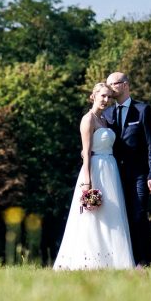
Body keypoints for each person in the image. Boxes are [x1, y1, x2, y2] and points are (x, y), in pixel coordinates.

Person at [53, 83, 135, 269]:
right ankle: (89, 260)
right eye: (103, 96)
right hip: (95, 168)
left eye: (109, 97)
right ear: (94, 96)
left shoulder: (105, 120)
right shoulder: (88, 119)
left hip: (110, 169)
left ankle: (114, 260)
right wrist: (87, 182)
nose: (106, 100)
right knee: (93, 215)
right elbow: (86, 152)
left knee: (111, 214)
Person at [104, 71, 151, 264]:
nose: (109, 88)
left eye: (113, 84)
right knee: (122, 218)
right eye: (107, 84)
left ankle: (146, 261)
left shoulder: (143, 110)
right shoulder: (107, 113)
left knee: (139, 215)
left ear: (125, 85)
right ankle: (130, 261)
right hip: (115, 175)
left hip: (140, 174)